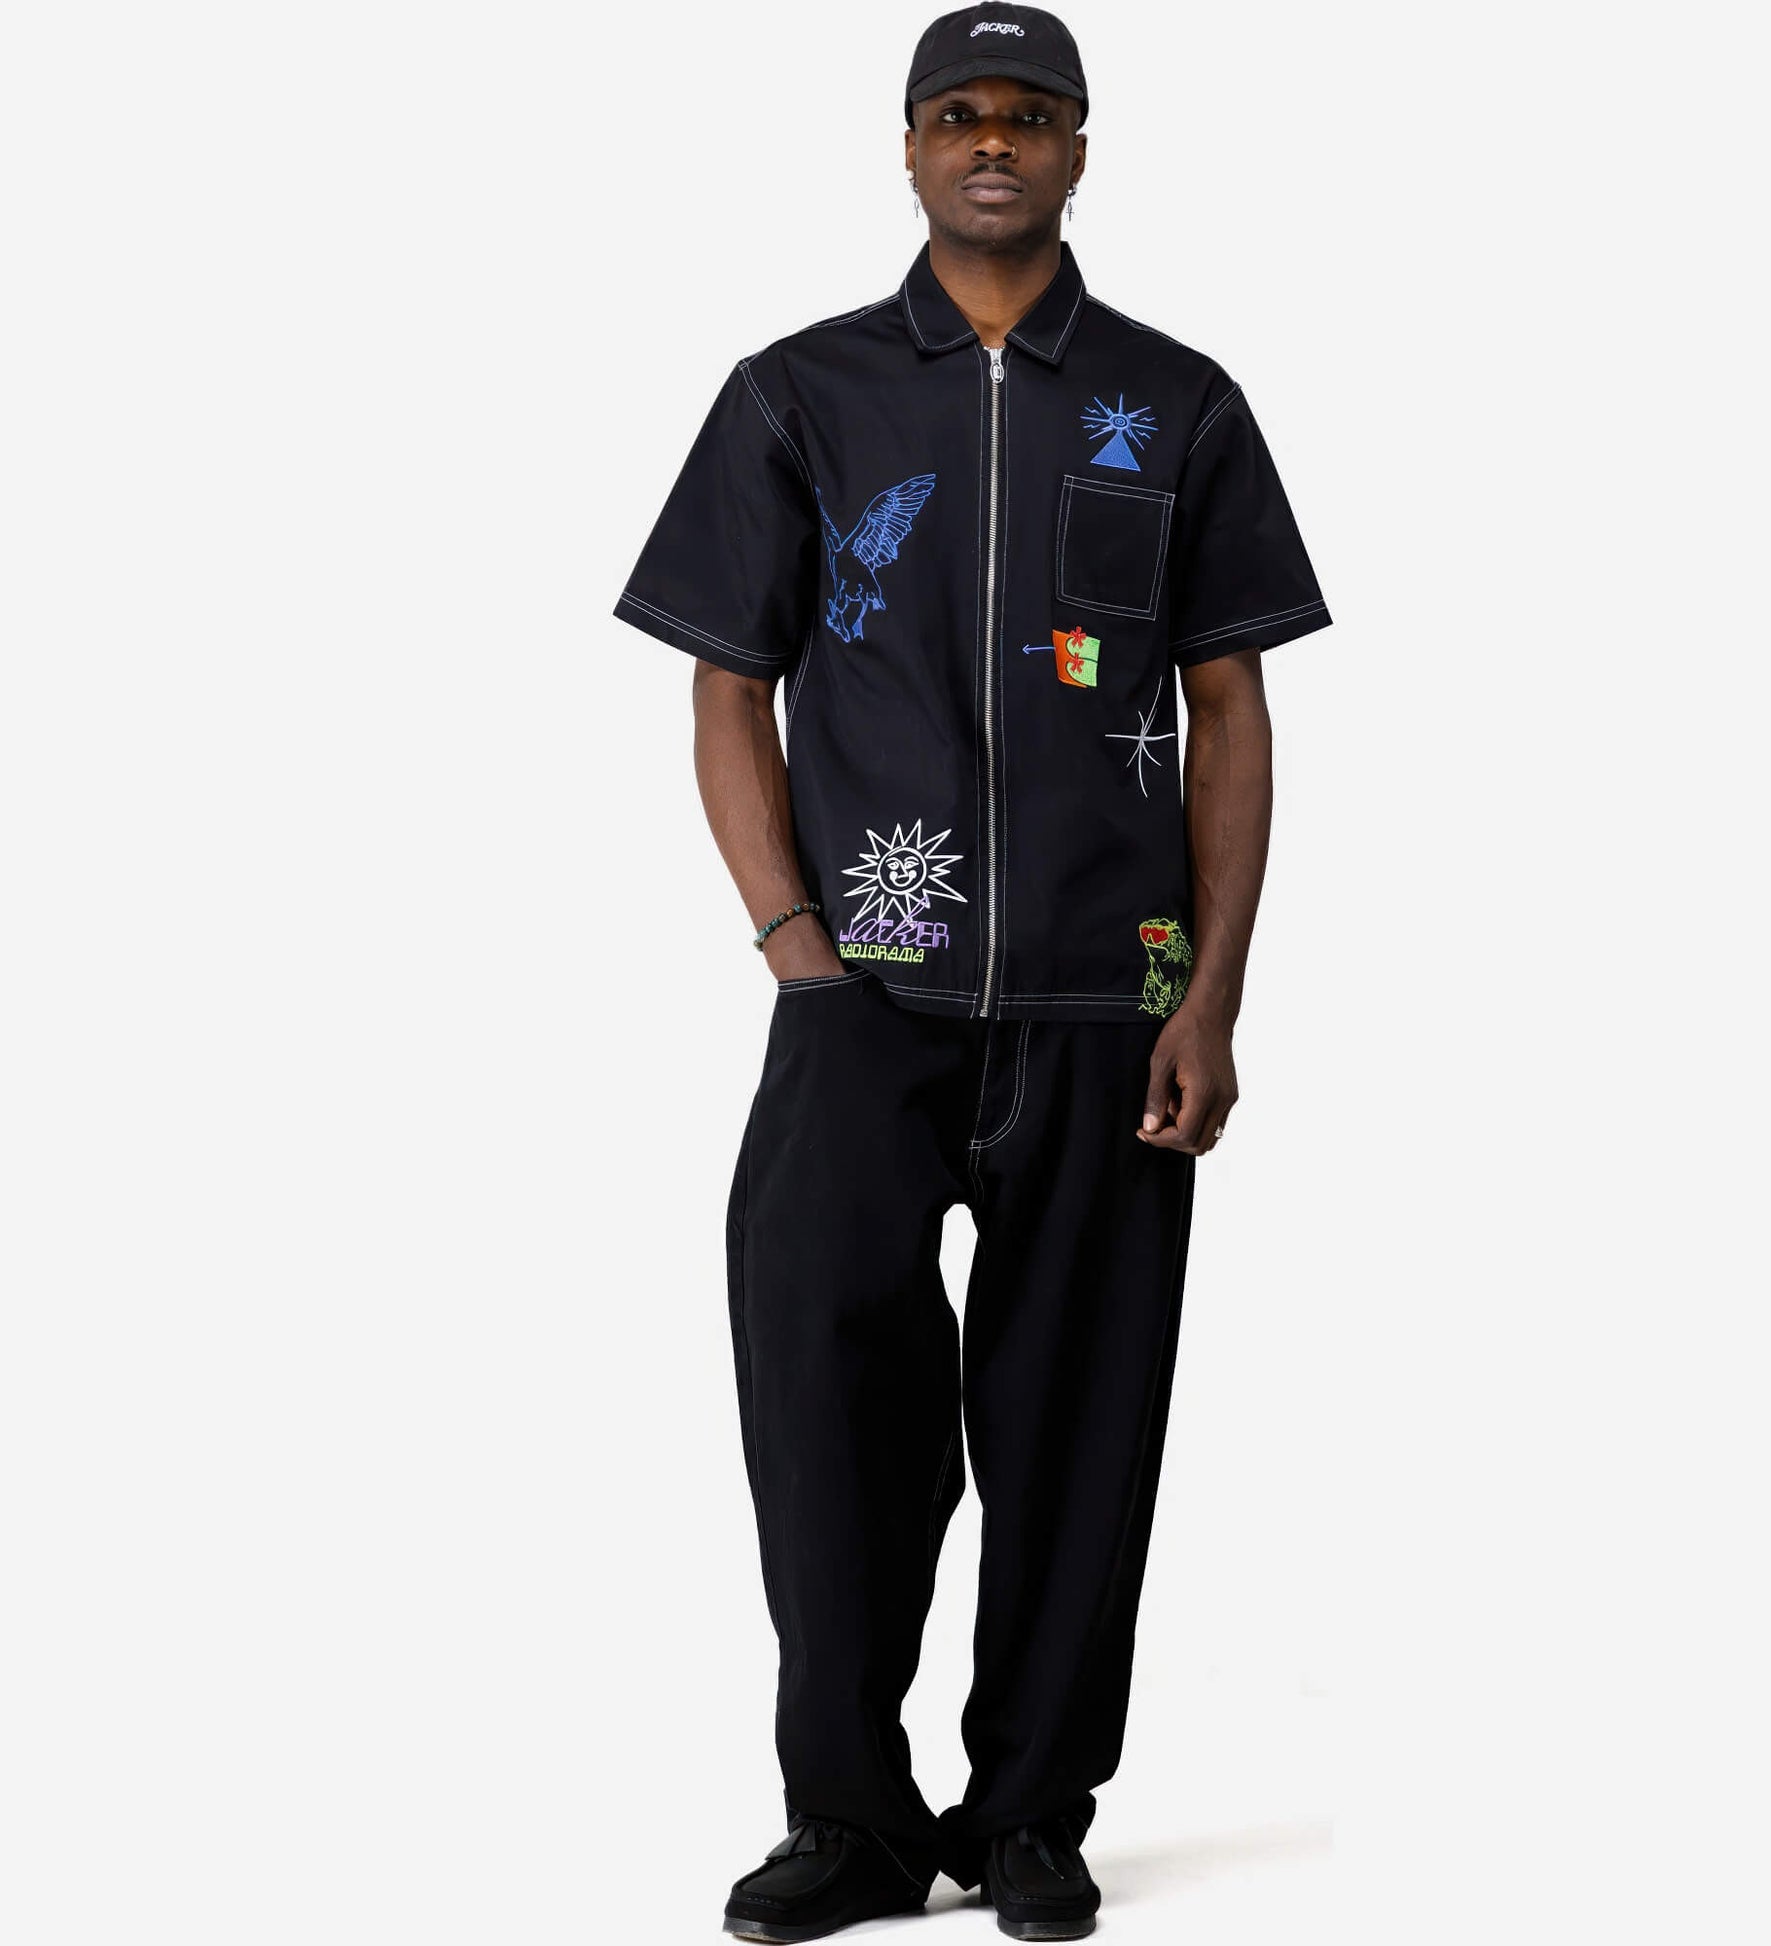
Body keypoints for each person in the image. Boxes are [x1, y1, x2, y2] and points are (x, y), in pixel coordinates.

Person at [611, 7, 1332, 1938]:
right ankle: (846, 1818)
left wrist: (1211, 995)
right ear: (910, 145)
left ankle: (1029, 1813)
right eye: (958, 113)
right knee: (827, 1411)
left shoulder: (1179, 403)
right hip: (863, 997)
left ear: (1080, 148)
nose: (991, 140)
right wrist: (797, 949)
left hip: (1114, 1002)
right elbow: (728, 686)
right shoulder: (799, 395)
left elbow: (1230, 708)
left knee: (1078, 1422)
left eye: (1027, 114)